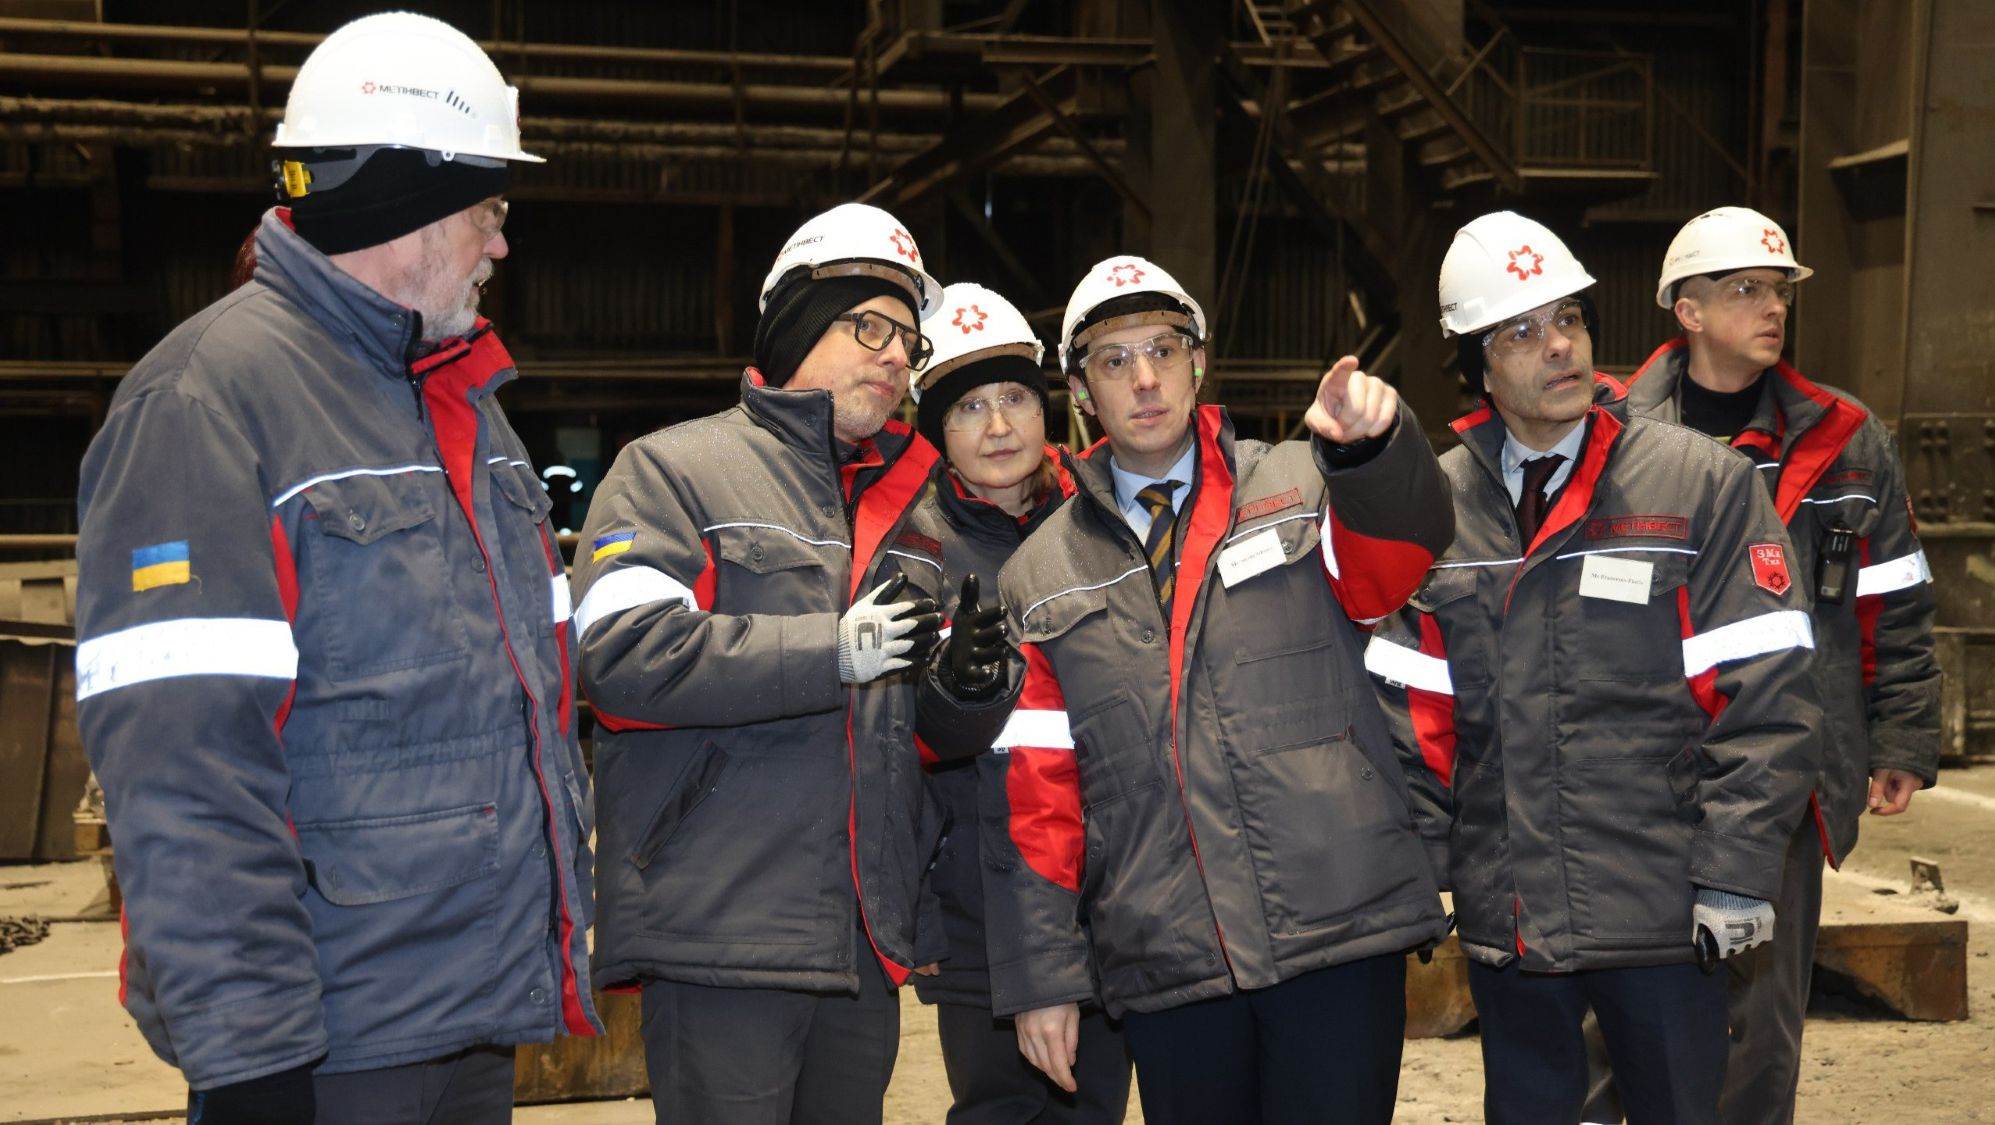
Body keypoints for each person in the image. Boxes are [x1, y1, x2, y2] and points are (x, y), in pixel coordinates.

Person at [73, 13, 596, 1123]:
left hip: (472, 1013)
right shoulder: (206, 402)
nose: (500, 245)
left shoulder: (465, 407)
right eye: (489, 211)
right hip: (327, 1042)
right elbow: (185, 760)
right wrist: (249, 1054)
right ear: (408, 205)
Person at [1363, 211, 1823, 1125]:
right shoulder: (1439, 506)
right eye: (1520, 331)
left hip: (1663, 910)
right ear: (1475, 364)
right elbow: (1409, 711)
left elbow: (1768, 689)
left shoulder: (1697, 484)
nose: (1557, 345)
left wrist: (1735, 868)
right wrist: (1413, 872)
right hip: (1510, 913)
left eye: (1567, 318)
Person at [569, 203, 1019, 1125]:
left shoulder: (909, 505)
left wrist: (964, 694)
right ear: (795, 325)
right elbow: (620, 653)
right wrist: (833, 649)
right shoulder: (672, 471)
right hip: (722, 926)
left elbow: (909, 734)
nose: (896, 358)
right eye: (869, 328)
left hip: (860, 937)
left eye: (907, 339)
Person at [984, 255, 1454, 1125]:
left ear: (1198, 362)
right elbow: (1036, 799)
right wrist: (1041, 975)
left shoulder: (1304, 485)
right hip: (1170, 956)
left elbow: (1400, 557)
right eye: (1114, 360)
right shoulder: (1039, 575)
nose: (1145, 378)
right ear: (1080, 391)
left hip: (1335, 930)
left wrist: (1373, 454)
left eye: (1163, 349)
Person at [1623, 206, 1940, 1124]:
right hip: (1636, 768)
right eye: (1745, 290)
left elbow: (1894, 597)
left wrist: (1901, 737)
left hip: (1784, 769)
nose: (1772, 308)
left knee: (1759, 1028)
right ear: (1685, 310)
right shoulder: (1612, 434)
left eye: (1778, 291)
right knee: (1619, 1016)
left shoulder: (1845, 438)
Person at [903, 282, 1133, 1124]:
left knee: (1093, 1107)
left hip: (1114, 896)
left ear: (1048, 408)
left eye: (1014, 399)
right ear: (936, 430)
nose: (998, 426)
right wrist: (914, 910)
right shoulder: (909, 553)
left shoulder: (1108, 521)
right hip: (976, 914)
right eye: (969, 407)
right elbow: (888, 746)